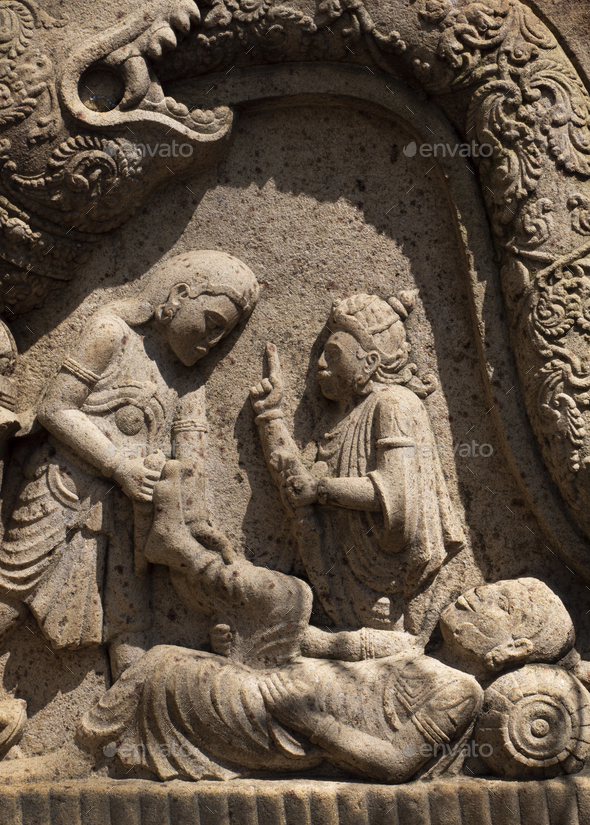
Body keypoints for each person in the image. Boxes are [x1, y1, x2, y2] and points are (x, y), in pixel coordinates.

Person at [0, 465, 576, 785]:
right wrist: (247, 634)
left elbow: (398, 762)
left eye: (499, 606)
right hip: (280, 677)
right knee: (289, 598)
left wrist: (312, 722)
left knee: (167, 663)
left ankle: (178, 553)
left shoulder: (460, 692)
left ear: (508, 651)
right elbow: (317, 642)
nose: (478, 596)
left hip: (285, 722)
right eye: (490, 590)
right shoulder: (408, 646)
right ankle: (188, 553)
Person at [0, 250, 259, 681]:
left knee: (130, 626)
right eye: (212, 322)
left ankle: (129, 715)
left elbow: (190, 466)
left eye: (224, 334)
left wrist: (198, 524)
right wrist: (119, 465)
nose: (213, 341)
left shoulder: (189, 385)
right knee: (10, 592)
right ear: (179, 296)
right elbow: (56, 407)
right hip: (61, 488)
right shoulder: (113, 332)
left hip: (129, 518)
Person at [250, 291, 465, 646]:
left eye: (333, 354)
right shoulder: (336, 419)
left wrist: (321, 490)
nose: (320, 364)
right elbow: (297, 487)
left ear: (369, 363)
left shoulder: (393, 404)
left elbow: (397, 498)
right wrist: (269, 416)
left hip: (383, 586)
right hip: (333, 573)